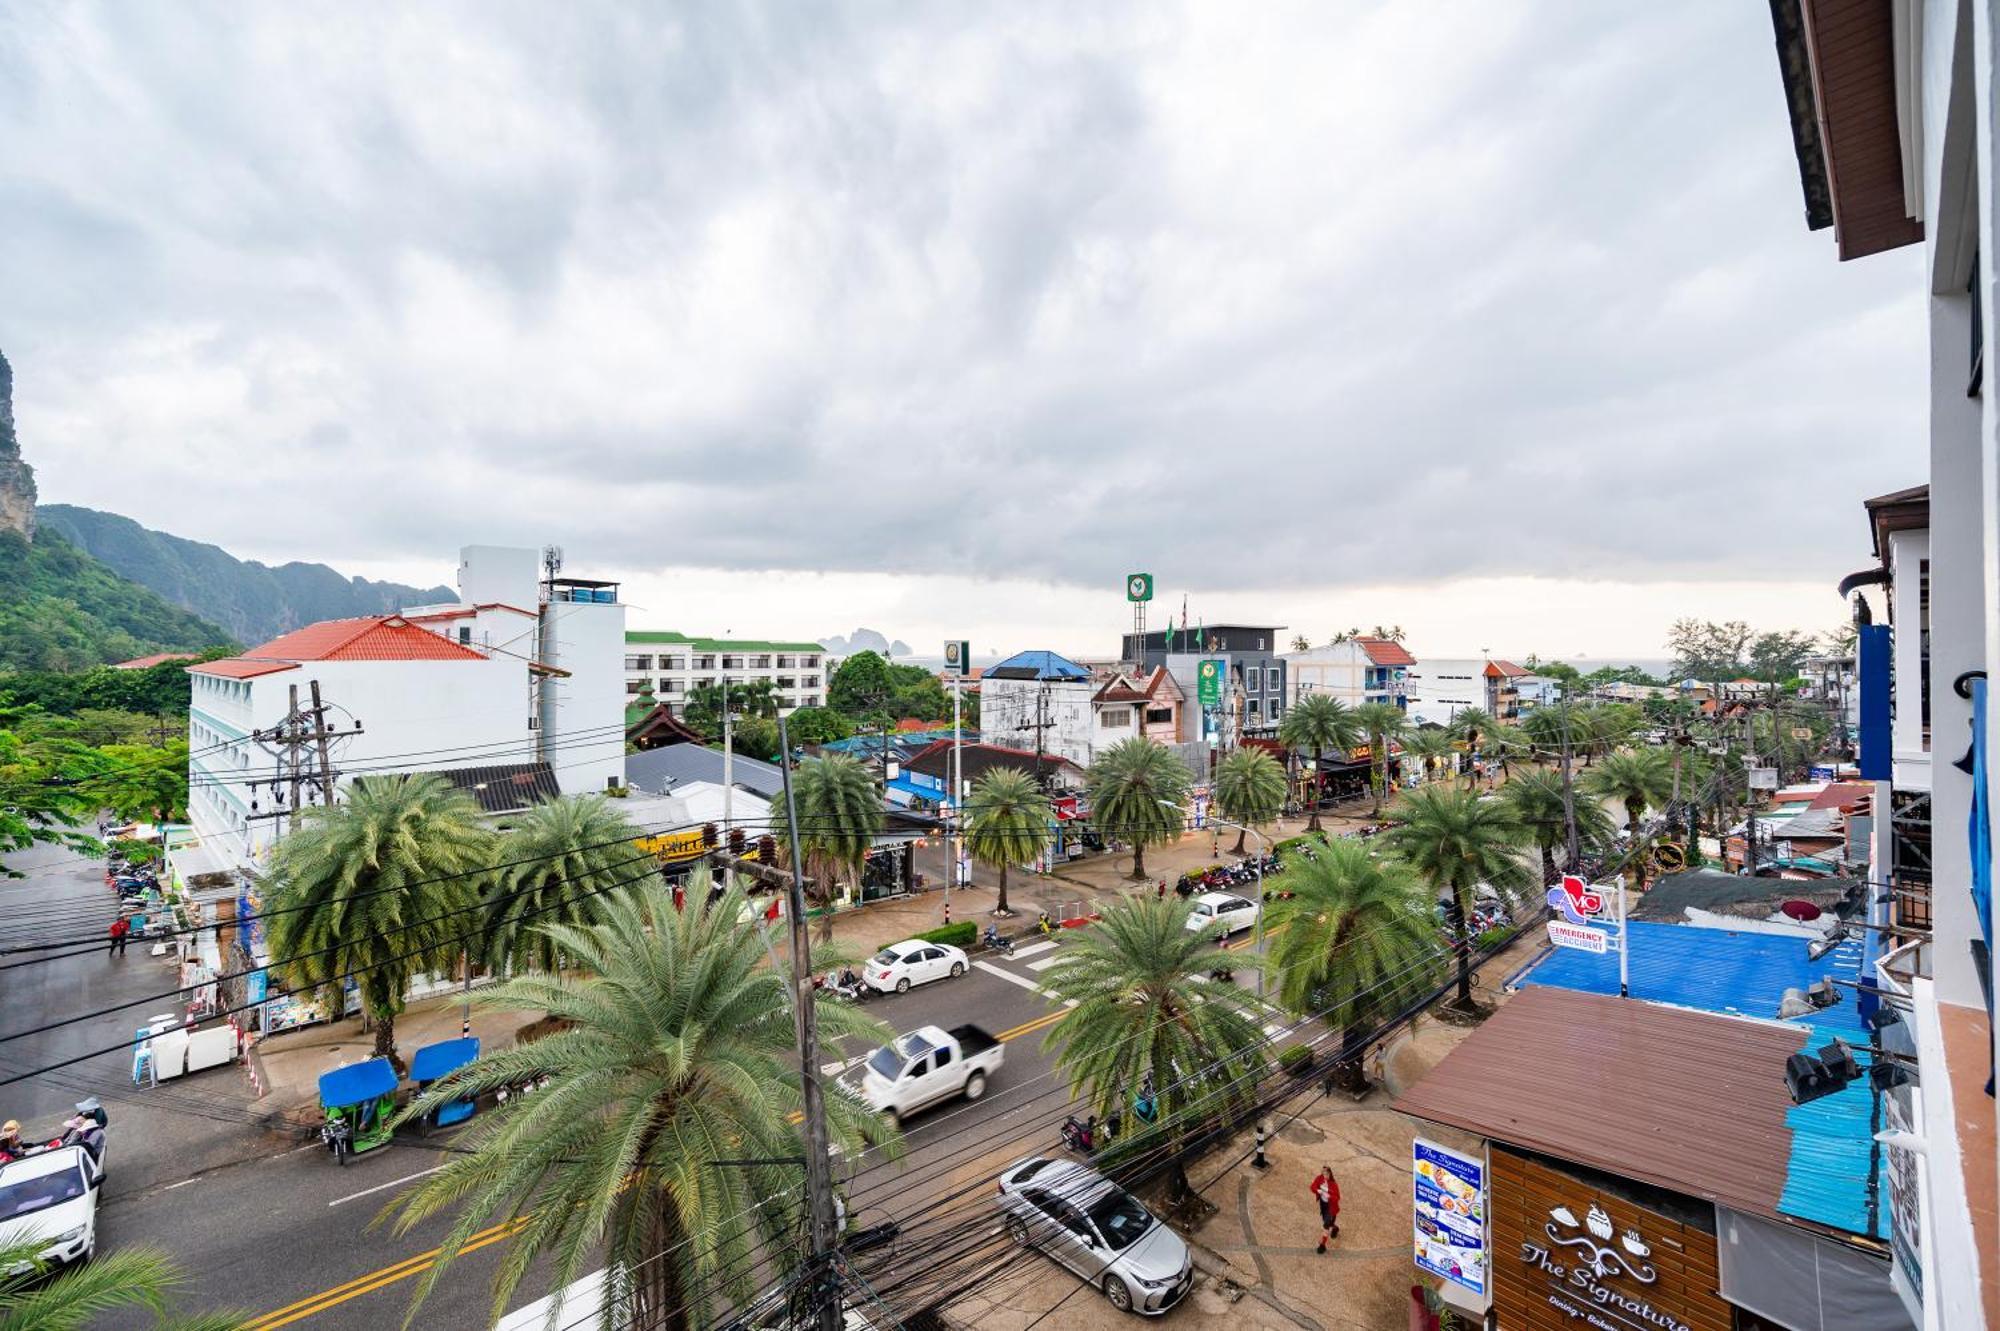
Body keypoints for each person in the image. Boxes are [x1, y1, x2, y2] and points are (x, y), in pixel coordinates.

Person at [1311, 1165, 1341, 1253]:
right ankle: (1335, 1228)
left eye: (1327, 1174)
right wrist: (1317, 1190)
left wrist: (1329, 1196)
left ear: (1330, 1174)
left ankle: (1322, 1245)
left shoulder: (1333, 1184)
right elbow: (1312, 1187)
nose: (1325, 1175)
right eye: (1323, 1173)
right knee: (1328, 1223)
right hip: (1323, 1206)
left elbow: (1337, 1197)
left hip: (1331, 1208)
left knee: (1326, 1226)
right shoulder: (1319, 1178)